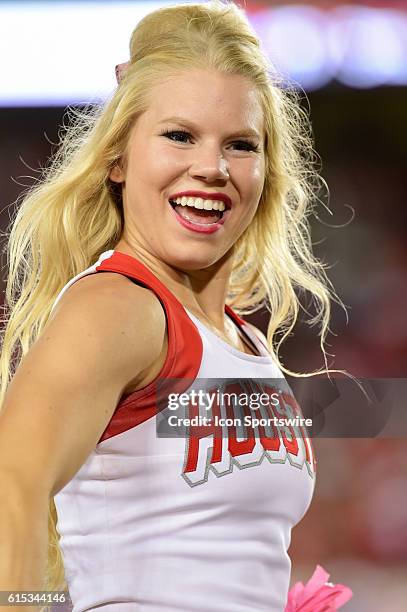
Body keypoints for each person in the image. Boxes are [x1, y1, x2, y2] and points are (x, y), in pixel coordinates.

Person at [0, 1, 337, 610]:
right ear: (118, 158)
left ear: (267, 170)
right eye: (179, 136)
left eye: (240, 144)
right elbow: (10, 487)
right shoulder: (119, 307)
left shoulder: (245, 340)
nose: (210, 168)